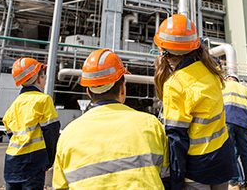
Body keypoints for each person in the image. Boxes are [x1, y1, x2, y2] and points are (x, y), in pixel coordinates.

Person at [52, 49, 170, 189]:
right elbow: (167, 177)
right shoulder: (151, 124)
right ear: (122, 88)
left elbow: (60, 187)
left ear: (89, 93)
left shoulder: (67, 135)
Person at [154, 14, 235, 190]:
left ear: (165, 54)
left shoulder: (175, 85)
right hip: (222, 157)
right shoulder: (211, 71)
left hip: (197, 166)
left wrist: (175, 182)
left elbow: (176, 139)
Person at [2, 57, 61, 190]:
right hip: (34, 162)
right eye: (43, 75)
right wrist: (48, 161)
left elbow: (9, 133)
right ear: (38, 78)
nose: (45, 79)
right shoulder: (43, 100)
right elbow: (51, 133)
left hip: (11, 162)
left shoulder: (15, 104)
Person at [222, 74, 247, 190]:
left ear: (227, 79)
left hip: (227, 120)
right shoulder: (246, 89)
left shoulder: (222, 86)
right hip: (243, 124)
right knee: (246, 153)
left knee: (231, 153)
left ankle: (234, 183)